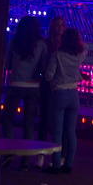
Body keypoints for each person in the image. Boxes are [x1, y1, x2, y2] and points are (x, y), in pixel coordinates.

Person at [2, 15, 48, 169]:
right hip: (33, 87)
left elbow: (7, 65)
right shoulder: (41, 44)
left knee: (7, 119)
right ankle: (25, 161)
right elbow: (43, 66)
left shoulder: (14, 42)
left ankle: (9, 153)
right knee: (29, 123)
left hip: (16, 84)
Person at [43, 26, 88, 175]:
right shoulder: (79, 55)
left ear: (63, 40)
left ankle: (56, 165)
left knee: (57, 132)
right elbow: (85, 47)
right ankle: (68, 164)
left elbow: (49, 75)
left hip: (59, 93)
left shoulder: (57, 55)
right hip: (74, 95)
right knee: (70, 132)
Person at [37, 15, 65, 161]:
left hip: (59, 85)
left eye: (62, 25)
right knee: (44, 119)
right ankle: (40, 154)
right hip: (47, 85)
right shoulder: (46, 44)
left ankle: (59, 157)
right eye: (57, 25)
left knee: (59, 123)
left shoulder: (66, 45)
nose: (59, 27)